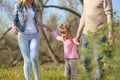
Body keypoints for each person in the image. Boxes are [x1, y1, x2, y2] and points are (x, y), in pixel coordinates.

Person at [76, 0, 114, 80]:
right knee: (85, 61)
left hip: (99, 34)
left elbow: (109, 15)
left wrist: (110, 32)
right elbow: (84, 15)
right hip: (86, 34)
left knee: (98, 62)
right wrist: (78, 33)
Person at [12, 0, 40, 80]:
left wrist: (46, 26)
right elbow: (14, 18)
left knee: (34, 58)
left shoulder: (35, 6)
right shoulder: (18, 6)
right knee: (27, 60)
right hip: (23, 35)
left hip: (35, 34)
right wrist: (13, 27)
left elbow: (35, 21)